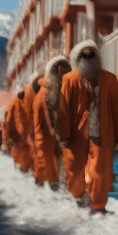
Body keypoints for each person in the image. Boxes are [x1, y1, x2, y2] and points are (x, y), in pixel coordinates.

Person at [62, 39, 118, 211]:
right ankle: (79, 196)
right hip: (75, 135)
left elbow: (117, 110)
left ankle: (98, 205)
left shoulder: (109, 80)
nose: (88, 58)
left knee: (100, 172)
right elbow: (63, 110)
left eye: (91, 55)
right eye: (84, 55)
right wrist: (63, 135)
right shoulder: (69, 80)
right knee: (73, 169)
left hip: (102, 134)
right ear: (78, 59)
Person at [31, 58, 70, 188]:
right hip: (46, 134)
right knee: (49, 158)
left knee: (48, 158)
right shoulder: (46, 93)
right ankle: (50, 181)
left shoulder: (44, 92)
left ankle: (47, 180)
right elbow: (49, 114)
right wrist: (55, 129)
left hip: (45, 134)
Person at [4, 87, 33, 172]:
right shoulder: (15, 103)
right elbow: (10, 121)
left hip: (24, 136)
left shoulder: (23, 101)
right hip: (20, 137)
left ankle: (24, 168)